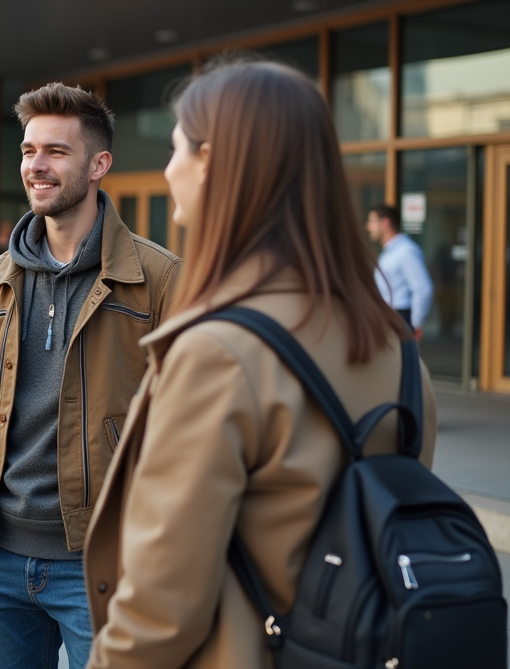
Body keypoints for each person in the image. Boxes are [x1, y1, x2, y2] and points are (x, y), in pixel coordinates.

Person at [83, 60, 438, 668]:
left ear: (213, 160)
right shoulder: (394, 346)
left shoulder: (217, 353)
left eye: (176, 150)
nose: (168, 171)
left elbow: (161, 610)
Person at [0, 82, 181, 669]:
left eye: (55, 151)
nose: (36, 166)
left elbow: (185, 427)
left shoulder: (158, 280)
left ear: (99, 164)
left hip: (100, 562)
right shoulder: (0, 277)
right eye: (29, 151)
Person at [366, 203, 433, 340]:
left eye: (372, 221)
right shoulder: (390, 252)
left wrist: (415, 324)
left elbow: (423, 289)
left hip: (400, 319)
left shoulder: (405, 251)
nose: (368, 227)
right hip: (390, 318)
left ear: (385, 223)